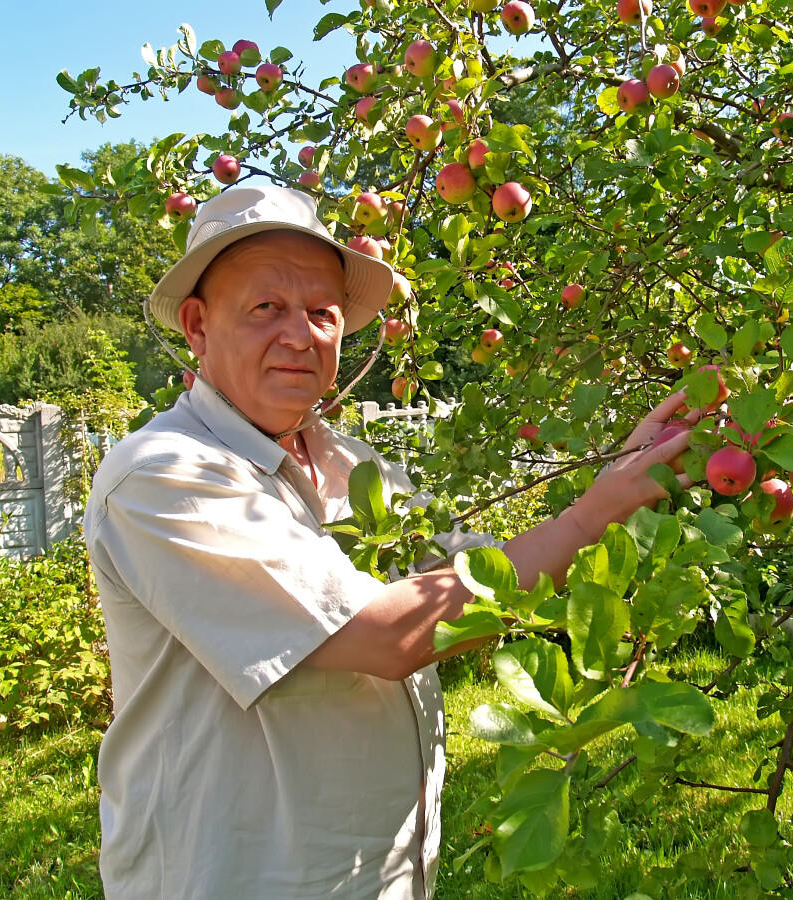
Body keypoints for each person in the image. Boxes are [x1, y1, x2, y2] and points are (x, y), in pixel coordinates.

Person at [83, 183, 694, 899]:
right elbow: (386, 634)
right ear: (197, 325)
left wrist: (613, 482)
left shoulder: (349, 461)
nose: (300, 334)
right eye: (265, 307)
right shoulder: (166, 475)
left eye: (321, 313)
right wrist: (589, 516)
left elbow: (474, 573)